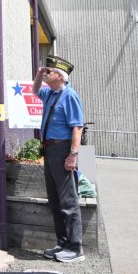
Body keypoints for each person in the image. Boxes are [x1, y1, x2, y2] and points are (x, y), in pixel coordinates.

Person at [32, 54, 85, 263]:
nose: (47, 73)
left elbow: (77, 127)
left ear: (61, 76)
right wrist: (38, 75)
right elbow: (35, 91)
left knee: (68, 200)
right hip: (50, 150)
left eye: (50, 71)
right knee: (55, 200)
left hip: (63, 149)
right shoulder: (51, 93)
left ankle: (75, 247)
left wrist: (72, 155)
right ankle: (62, 243)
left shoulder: (70, 95)